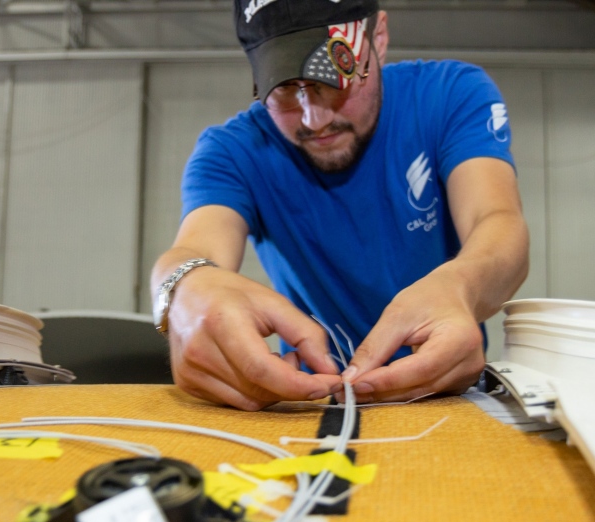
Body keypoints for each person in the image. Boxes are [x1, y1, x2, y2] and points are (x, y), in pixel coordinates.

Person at [151, 0, 529, 411]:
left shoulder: (448, 95)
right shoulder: (232, 151)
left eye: (333, 76)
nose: (314, 118)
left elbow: (495, 220)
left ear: (377, 38)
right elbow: (195, 252)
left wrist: (462, 287)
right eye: (284, 90)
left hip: (449, 397)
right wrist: (183, 289)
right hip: (313, 406)